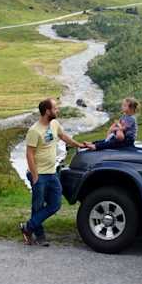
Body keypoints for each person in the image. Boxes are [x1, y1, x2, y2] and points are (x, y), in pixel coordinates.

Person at [19, 97, 86, 246]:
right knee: (37, 206)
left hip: (52, 173)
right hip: (39, 175)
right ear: (47, 111)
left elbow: (63, 137)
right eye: (55, 108)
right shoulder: (34, 131)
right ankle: (40, 236)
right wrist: (35, 176)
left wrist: (79, 145)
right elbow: (29, 154)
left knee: (55, 204)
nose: (58, 110)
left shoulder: (54, 124)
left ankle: (28, 227)